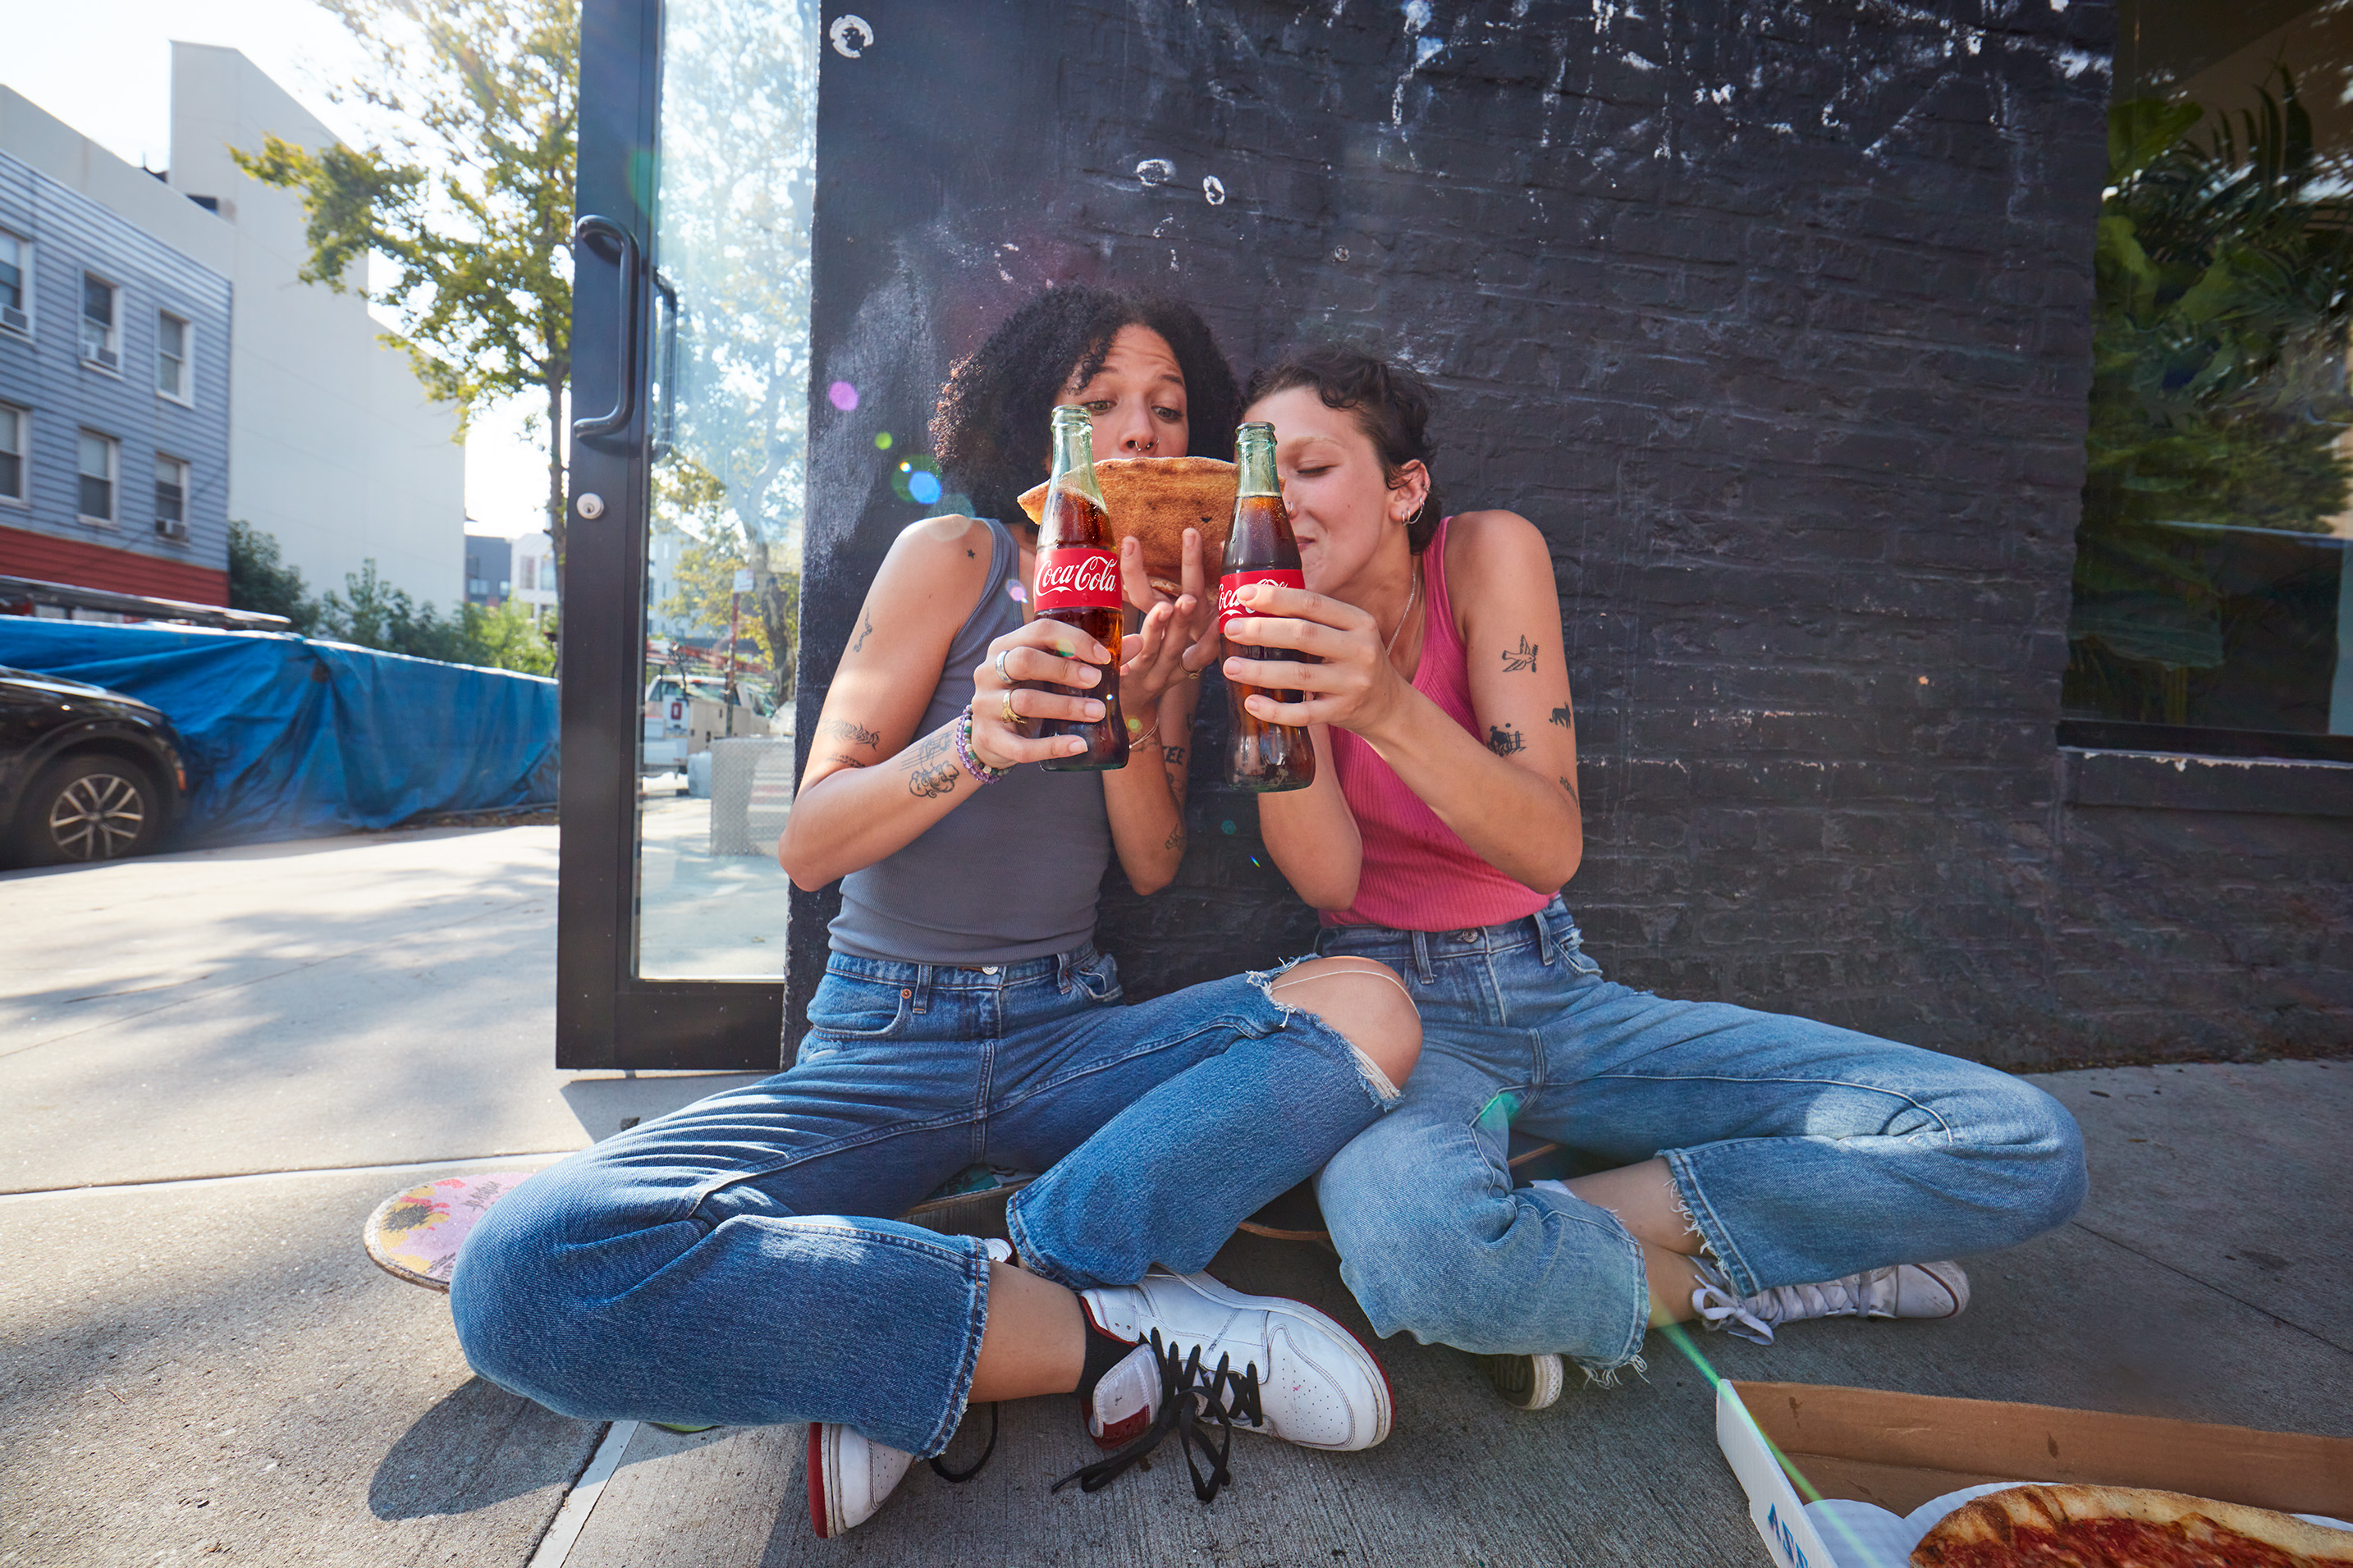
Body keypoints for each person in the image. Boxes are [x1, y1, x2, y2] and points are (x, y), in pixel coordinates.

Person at [449, 290, 1421, 1536]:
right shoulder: (955, 559)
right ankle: (1102, 1330)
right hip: (886, 1044)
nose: (1138, 431)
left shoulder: (1166, 604)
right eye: (1099, 403)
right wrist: (975, 739)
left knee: (1371, 1006)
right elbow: (809, 843)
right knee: (528, 1274)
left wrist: (1135, 705)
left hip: (1066, 1034)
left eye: (1168, 409)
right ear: (1035, 419)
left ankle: (930, 1314)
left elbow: (1154, 863)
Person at [1220, 345, 2087, 1407]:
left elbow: (1548, 846)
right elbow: (1328, 879)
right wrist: (1268, 688)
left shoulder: (1485, 555)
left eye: (1310, 469)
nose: (1278, 504)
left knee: (2024, 1143)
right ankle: (1756, 1279)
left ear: (1405, 488)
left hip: (1554, 988)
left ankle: (1542, 1239)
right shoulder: (1265, 620)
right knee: (1424, 1255)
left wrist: (1389, 709)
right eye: (1257, 481)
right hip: (1393, 1013)